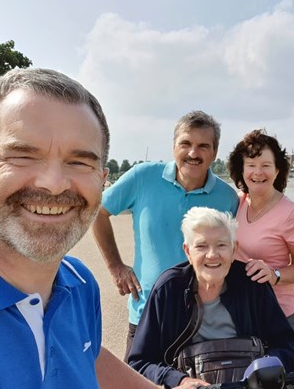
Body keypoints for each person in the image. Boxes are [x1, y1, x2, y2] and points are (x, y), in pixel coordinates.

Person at [0, 67, 185, 388]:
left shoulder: (78, 282)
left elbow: (83, 355)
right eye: (22, 155)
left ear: (102, 183)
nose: (54, 184)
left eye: (79, 162)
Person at [91, 111, 239, 360]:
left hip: (203, 321)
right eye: (186, 144)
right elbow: (98, 211)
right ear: (173, 147)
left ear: (214, 153)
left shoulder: (228, 199)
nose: (193, 153)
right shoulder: (143, 177)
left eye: (203, 146)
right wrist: (115, 265)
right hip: (146, 314)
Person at [128, 207, 294, 388]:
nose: (212, 255)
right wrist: (179, 380)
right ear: (187, 251)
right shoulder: (168, 289)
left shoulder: (253, 284)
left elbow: (285, 345)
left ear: (234, 250)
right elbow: (139, 362)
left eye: (221, 245)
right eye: (201, 246)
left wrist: (268, 369)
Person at [227, 129, 294, 368]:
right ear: (241, 170)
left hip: (282, 316)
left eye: (266, 165)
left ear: (277, 170)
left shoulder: (292, 213)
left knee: (281, 381)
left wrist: (274, 274)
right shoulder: (239, 202)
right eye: (251, 165)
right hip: (243, 313)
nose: (258, 172)